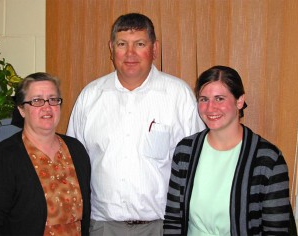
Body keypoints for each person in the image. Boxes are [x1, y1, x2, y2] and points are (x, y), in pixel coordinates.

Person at [66, 13, 205, 236]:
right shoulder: (90, 97)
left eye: (140, 44)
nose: (130, 53)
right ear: (111, 48)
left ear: (154, 49)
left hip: (162, 226)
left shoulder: (178, 96)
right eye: (122, 44)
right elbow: (74, 165)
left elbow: (198, 163)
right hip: (102, 226)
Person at [163, 65, 297, 235]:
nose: (210, 108)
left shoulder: (267, 158)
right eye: (204, 99)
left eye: (219, 99)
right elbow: (173, 219)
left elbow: (275, 230)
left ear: (239, 101)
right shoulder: (185, 151)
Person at [0, 72, 91, 235]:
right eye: (37, 100)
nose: (47, 107)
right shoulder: (1, 158)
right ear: (21, 109)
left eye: (53, 99)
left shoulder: (76, 150)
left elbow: (85, 218)